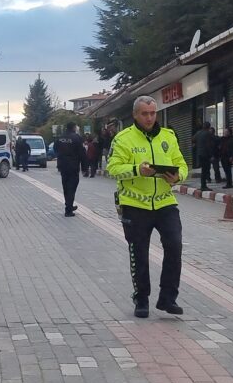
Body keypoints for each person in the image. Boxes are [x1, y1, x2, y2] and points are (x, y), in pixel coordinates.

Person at [107, 95, 188, 318]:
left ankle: (168, 298)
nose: (150, 118)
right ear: (135, 115)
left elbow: (181, 163)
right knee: (139, 252)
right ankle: (141, 298)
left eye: (153, 113)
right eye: (145, 113)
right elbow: (112, 168)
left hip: (164, 202)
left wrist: (177, 176)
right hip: (134, 204)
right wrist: (136, 170)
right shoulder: (123, 139)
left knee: (175, 244)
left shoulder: (168, 136)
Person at [55, 123, 87, 217]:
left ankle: (68, 205)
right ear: (73, 128)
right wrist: (85, 168)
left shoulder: (60, 137)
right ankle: (68, 210)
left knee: (65, 186)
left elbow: (55, 149)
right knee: (72, 187)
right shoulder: (77, 138)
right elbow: (82, 154)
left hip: (63, 166)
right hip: (73, 166)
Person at [193, 121, 217, 191]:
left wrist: (197, 144)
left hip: (199, 154)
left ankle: (203, 185)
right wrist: (211, 155)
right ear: (209, 127)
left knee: (203, 170)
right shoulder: (208, 134)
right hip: (206, 154)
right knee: (205, 170)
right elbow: (209, 145)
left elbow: (193, 139)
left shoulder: (198, 133)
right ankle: (203, 186)